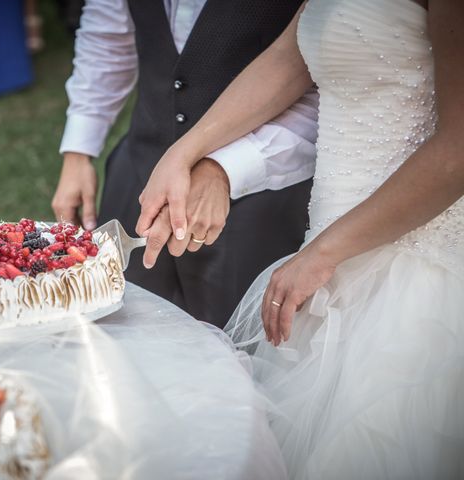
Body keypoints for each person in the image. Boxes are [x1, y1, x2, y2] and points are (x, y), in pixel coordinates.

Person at [137, 0, 464, 477]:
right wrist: (183, 154)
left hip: (412, 271)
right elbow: (287, 59)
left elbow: (456, 155)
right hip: (326, 267)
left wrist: (326, 251)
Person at [52, 0, 319, 328]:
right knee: (121, 336)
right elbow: (107, 34)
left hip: (263, 199)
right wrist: (79, 150)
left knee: (240, 356)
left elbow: (315, 80)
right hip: (139, 173)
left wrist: (223, 168)